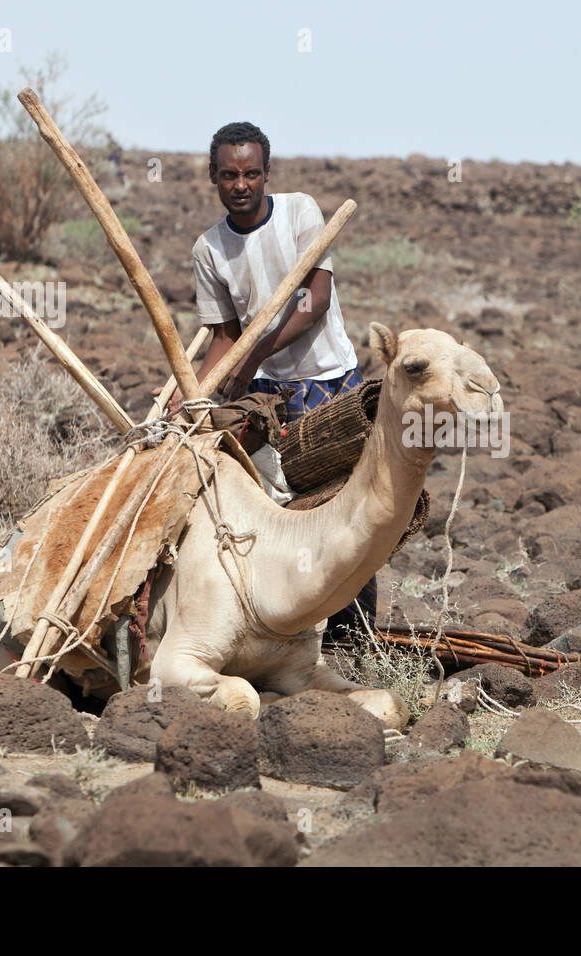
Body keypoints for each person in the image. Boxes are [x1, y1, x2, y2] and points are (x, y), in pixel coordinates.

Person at [181, 120, 375, 644]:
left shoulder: (299, 212)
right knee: (280, 508)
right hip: (269, 395)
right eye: (228, 175)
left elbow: (315, 303)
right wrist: (190, 392)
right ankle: (289, 634)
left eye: (249, 173)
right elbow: (224, 336)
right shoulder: (209, 249)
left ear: (266, 173)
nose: (240, 184)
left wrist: (256, 350)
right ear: (213, 178)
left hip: (329, 378)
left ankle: (354, 637)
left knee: (348, 506)